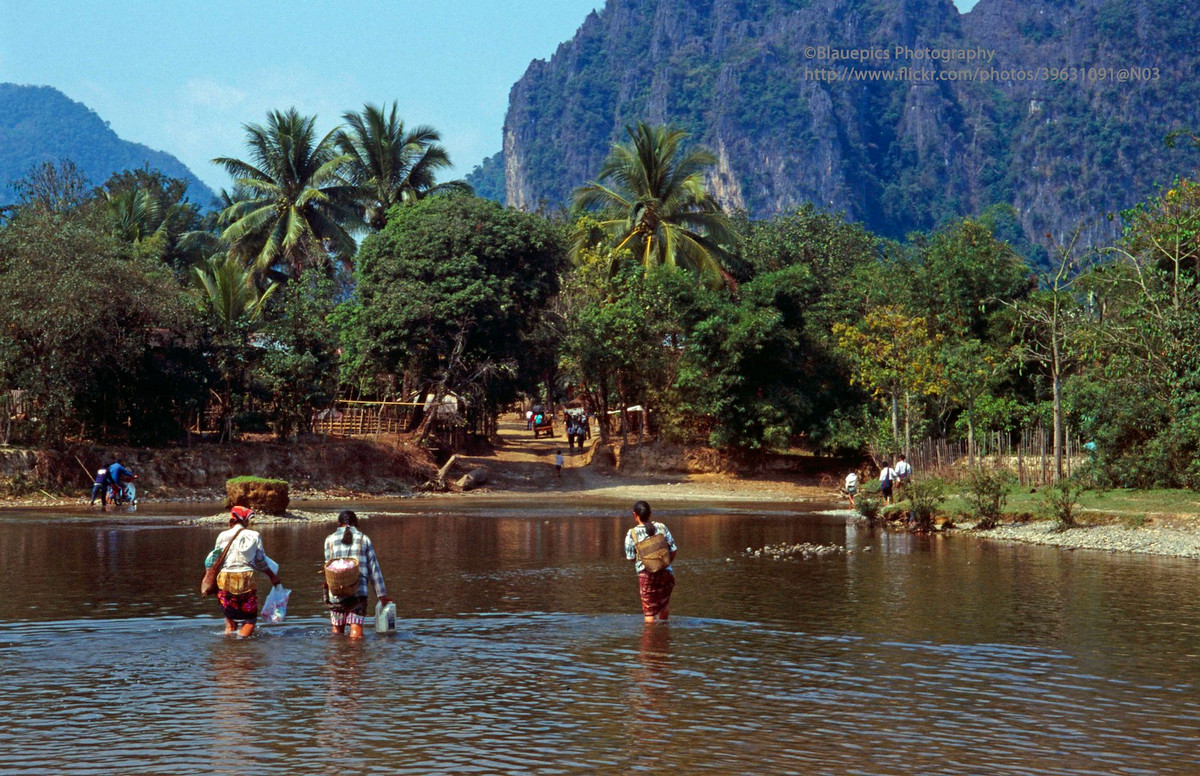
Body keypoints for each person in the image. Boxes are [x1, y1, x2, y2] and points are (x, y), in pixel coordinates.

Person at [210, 506, 282, 637]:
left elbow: (214, 559)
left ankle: (229, 648)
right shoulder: (254, 535)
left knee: (230, 620)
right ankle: (242, 648)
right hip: (245, 578)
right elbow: (260, 562)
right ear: (246, 521)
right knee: (249, 620)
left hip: (225, 578)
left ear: (231, 520)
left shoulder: (222, 536)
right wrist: (273, 577)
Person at [323, 510, 391, 639]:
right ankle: (355, 656)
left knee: (337, 628)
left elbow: (328, 565)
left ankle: (337, 654)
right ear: (356, 523)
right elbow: (373, 568)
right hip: (358, 591)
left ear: (338, 523)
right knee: (356, 626)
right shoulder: (363, 539)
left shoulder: (329, 540)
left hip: (336, 591)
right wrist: (381, 595)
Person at [624, 501, 677, 624]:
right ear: (650, 514)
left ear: (634, 514)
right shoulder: (661, 527)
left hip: (646, 575)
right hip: (666, 573)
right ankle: (663, 638)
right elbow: (673, 550)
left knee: (649, 611)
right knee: (664, 604)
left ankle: (651, 639)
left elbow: (631, 557)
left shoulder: (631, 533)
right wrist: (665, 564)